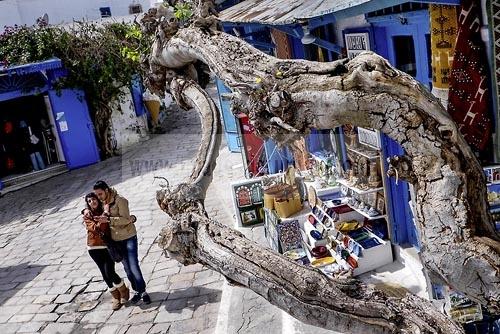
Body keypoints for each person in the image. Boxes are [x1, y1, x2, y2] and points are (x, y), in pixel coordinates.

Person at [93, 180, 151, 304]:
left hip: (129, 236)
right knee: (127, 269)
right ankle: (136, 291)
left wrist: (108, 220)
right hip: (116, 241)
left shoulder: (121, 200)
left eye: (100, 194)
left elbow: (126, 219)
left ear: (107, 190)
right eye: (97, 195)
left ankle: (143, 291)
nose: (98, 197)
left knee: (134, 266)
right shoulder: (103, 204)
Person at [82, 193, 130, 310]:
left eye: (93, 199)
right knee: (104, 274)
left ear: (98, 200)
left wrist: (105, 214)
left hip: (107, 246)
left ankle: (123, 290)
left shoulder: (105, 208)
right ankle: (115, 296)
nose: (92, 202)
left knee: (109, 272)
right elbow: (95, 228)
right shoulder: (88, 215)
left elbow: (104, 226)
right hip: (93, 247)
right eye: (89, 201)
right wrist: (104, 215)